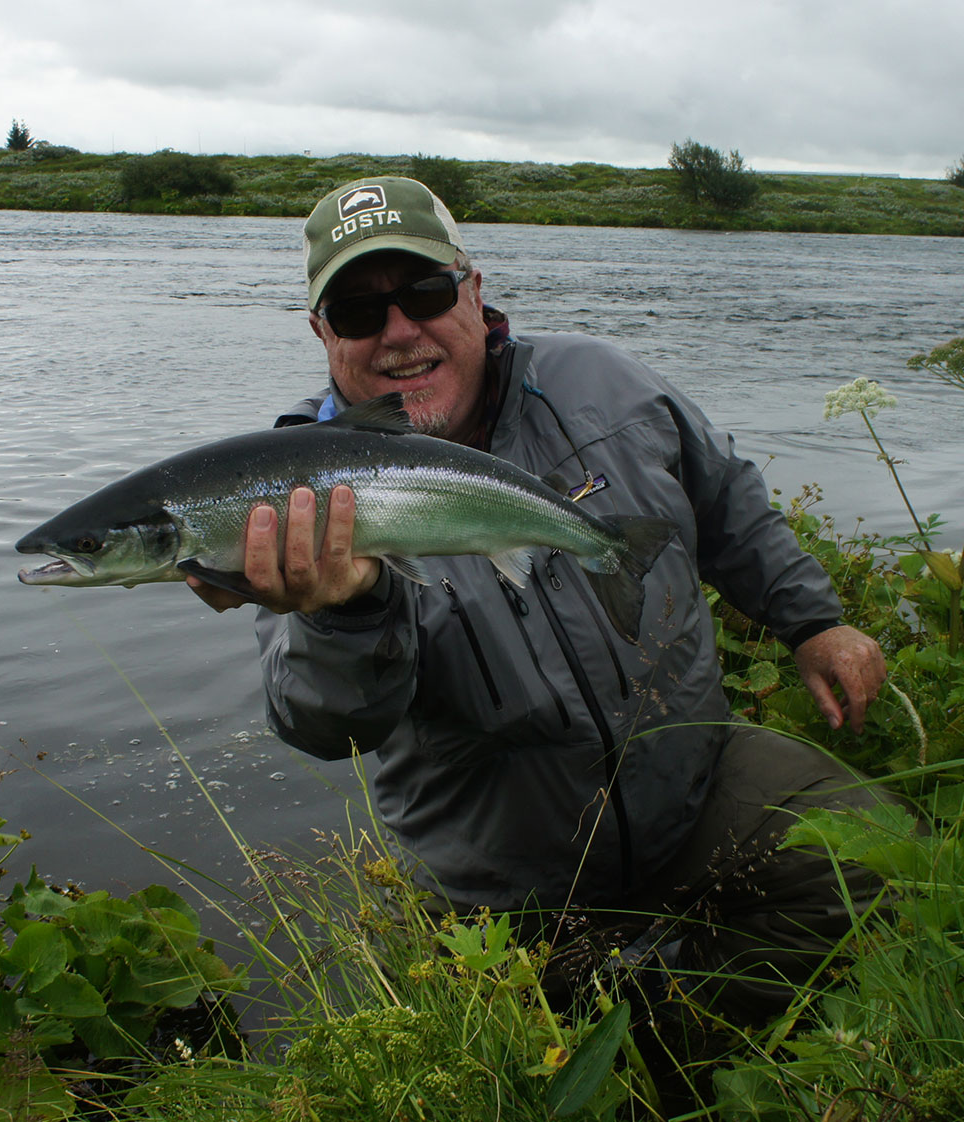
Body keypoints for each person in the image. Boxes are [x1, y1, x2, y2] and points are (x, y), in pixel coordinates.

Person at [187, 176, 899, 1021]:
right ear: (320, 333)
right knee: (563, 1063)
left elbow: (725, 497)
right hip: (509, 881)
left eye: (423, 292)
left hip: (695, 785)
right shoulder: (289, 491)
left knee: (894, 865)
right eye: (358, 311)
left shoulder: (600, 382)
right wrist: (345, 612)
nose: (400, 333)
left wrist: (810, 619)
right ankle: (661, 1037)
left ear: (474, 289)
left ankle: (707, 1031)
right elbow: (324, 725)